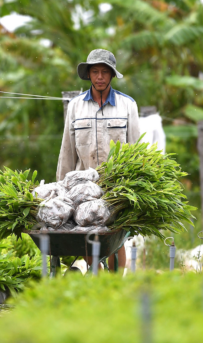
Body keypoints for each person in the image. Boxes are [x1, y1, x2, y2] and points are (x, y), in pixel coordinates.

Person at [56, 49, 140, 271]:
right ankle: (97, 278)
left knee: (114, 238)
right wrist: (60, 188)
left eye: (105, 72)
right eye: (95, 72)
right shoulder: (76, 106)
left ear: (112, 75)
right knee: (88, 236)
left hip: (117, 186)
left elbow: (136, 150)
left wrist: (137, 186)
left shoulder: (127, 105)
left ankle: (114, 284)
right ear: (89, 75)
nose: (100, 77)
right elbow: (67, 150)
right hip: (84, 188)